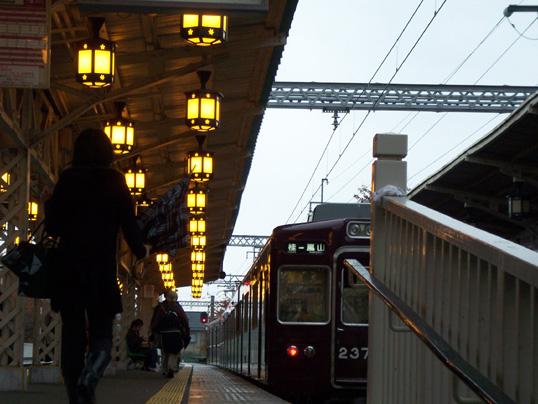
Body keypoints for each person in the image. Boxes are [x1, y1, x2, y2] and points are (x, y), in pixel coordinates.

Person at [45, 129, 147, 404]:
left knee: (72, 335)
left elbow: (52, 227)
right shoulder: (116, 181)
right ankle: (90, 378)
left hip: (69, 272)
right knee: (102, 334)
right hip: (101, 272)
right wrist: (141, 250)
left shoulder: (68, 179)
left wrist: (48, 203)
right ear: (107, 152)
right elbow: (130, 226)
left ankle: (76, 399)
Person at [150, 290, 190, 378]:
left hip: (164, 334)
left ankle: (164, 369)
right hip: (176, 333)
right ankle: (171, 368)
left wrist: (153, 331)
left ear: (166, 297)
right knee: (174, 352)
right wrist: (186, 332)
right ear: (176, 298)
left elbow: (155, 321)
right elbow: (185, 320)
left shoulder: (161, 307)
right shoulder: (178, 307)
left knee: (165, 352)